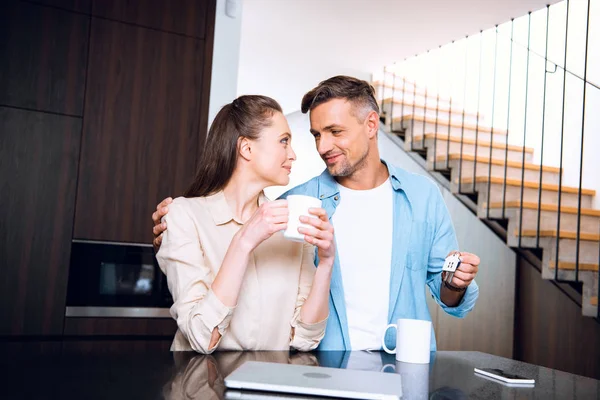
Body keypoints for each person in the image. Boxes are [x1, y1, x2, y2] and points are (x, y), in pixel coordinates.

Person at [153, 76, 480, 352]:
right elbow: (228, 223)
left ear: (370, 124)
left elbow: (447, 294)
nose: (322, 147)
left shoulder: (422, 196)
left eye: (335, 132)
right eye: (316, 135)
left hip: (408, 364)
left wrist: (457, 283)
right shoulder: (297, 204)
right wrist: (176, 227)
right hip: (324, 368)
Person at [155, 95, 335, 354]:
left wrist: (327, 263)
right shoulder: (183, 216)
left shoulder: (292, 225)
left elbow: (306, 339)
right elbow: (201, 337)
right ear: (246, 148)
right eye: (284, 141)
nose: (293, 155)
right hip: (200, 386)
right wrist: (244, 240)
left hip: (269, 387)